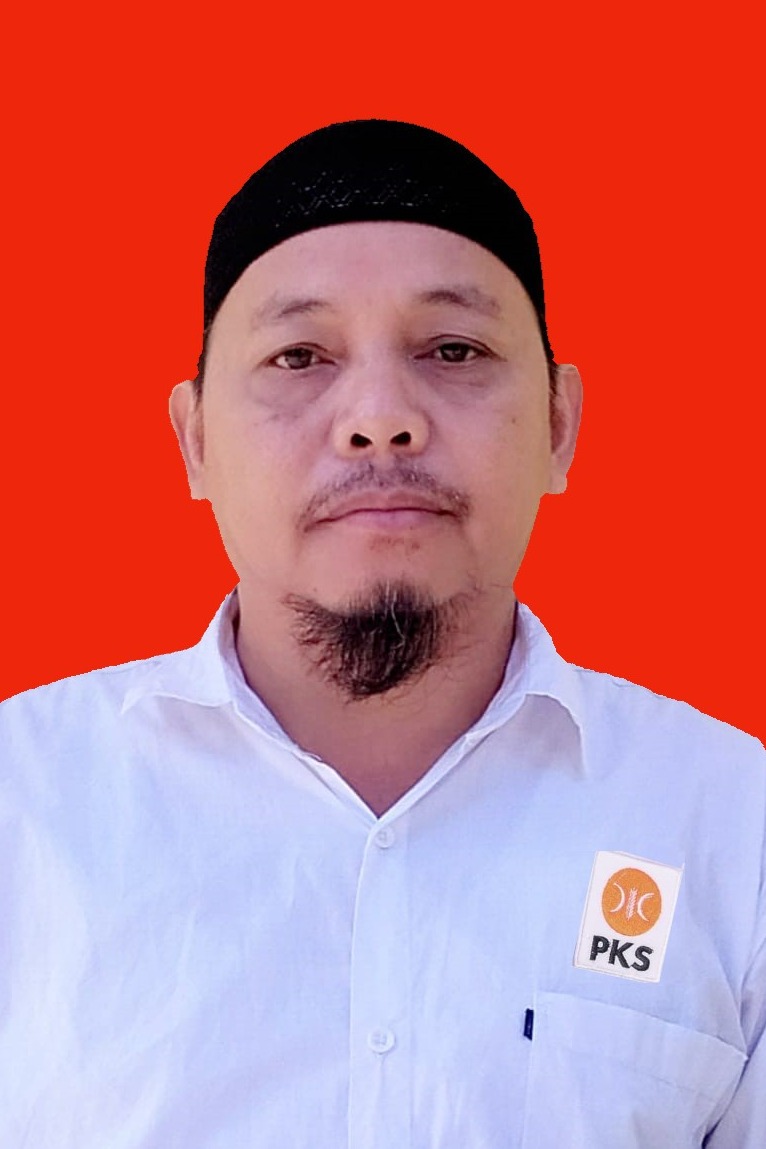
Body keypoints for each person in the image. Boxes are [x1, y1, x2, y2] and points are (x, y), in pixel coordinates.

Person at [0, 119, 763, 1149]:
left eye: (453, 350)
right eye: (299, 355)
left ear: (559, 424)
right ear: (195, 440)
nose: (379, 417)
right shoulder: (22, 805)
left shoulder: (733, 828)